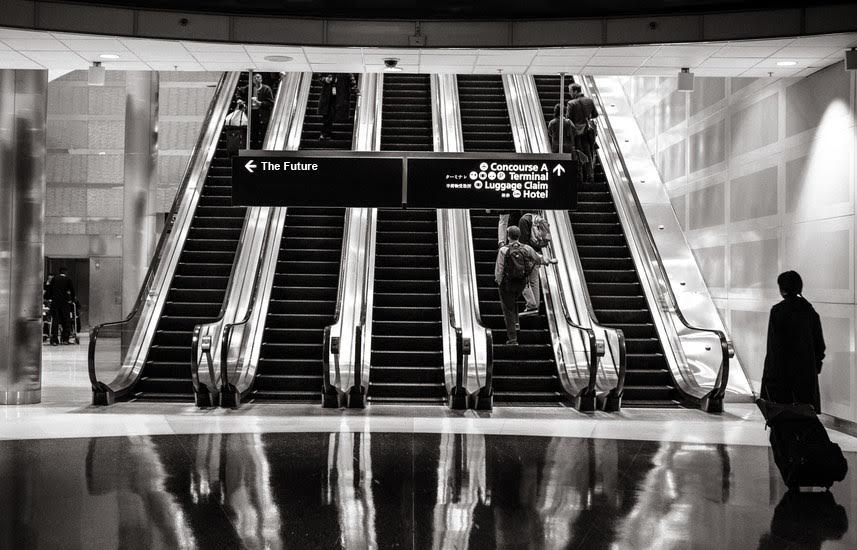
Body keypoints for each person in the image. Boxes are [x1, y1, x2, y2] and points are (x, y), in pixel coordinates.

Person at [761, 271, 826, 412]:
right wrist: (815, 367)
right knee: (804, 419)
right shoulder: (809, 311)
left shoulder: (778, 311)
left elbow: (774, 349)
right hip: (806, 377)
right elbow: (819, 344)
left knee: (782, 421)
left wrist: (768, 378)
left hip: (781, 379)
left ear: (782, 289)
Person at [494, 226, 557, 345]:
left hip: (508, 284)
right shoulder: (527, 248)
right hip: (521, 284)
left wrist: (499, 282)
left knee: (508, 310)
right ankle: (516, 324)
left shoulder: (503, 250)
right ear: (518, 236)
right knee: (514, 300)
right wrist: (549, 261)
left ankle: (512, 339)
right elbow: (538, 259)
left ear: (508, 236)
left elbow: (499, 268)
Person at [566, 83, 599, 178]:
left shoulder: (571, 103)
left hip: (576, 132)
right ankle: (590, 174)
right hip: (587, 131)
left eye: (570, 91)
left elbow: (568, 119)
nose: (570, 93)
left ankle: (580, 176)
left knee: (578, 152)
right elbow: (595, 114)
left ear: (575, 91)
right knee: (588, 152)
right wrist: (586, 118)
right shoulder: (589, 101)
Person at [317, 73, 358, 141]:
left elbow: (351, 80)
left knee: (334, 114)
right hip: (328, 96)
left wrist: (355, 89)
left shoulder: (346, 69)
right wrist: (325, 79)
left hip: (340, 95)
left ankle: (327, 133)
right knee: (327, 115)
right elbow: (320, 77)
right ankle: (325, 134)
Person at [239, 73, 274, 148]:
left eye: (258, 77)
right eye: (254, 78)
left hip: (262, 114)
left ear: (261, 79)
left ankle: (262, 148)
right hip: (251, 113)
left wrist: (260, 103)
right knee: (253, 132)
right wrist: (239, 99)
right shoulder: (249, 88)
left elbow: (270, 102)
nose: (256, 79)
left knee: (261, 132)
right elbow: (239, 90)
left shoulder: (266, 89)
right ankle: (253, 148)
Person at [48, 267, 75, 345]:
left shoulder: (54, 279)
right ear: (65, 272)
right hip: (64, 303)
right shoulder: (68, 280)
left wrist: (50, 298)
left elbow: (49, 290)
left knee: (55, 321)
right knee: (66, 321)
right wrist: (72, 300)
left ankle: (54, 340)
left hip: (55, 303)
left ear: (59, 272)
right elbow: (72, 291)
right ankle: (65, 339)